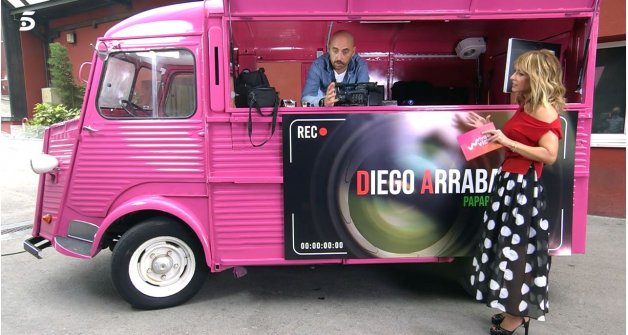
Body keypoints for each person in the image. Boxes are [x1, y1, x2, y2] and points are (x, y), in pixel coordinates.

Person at [465, 49, 565, 335]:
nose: (513, 77)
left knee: (517, 252)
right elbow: (514, 144)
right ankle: (514, 312)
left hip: (523, 188)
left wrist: (505, 138)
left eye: (520, 72)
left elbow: (549, 154)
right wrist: (489, 131)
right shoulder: (527, 107)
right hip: (511, 183)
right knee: (505, 249)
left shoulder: (545, 110)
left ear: (536, 78)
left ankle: (517, 317)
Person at [301, 30, 369, 107]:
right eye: (335, 51)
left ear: (353, 52)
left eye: (345, 52)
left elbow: (363, 97)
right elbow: (305, 100)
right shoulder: (318, 65)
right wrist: (323, 102)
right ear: (329, 49)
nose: (339, 57)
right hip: (326, 116)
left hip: (351, 116)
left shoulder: (360, 65)